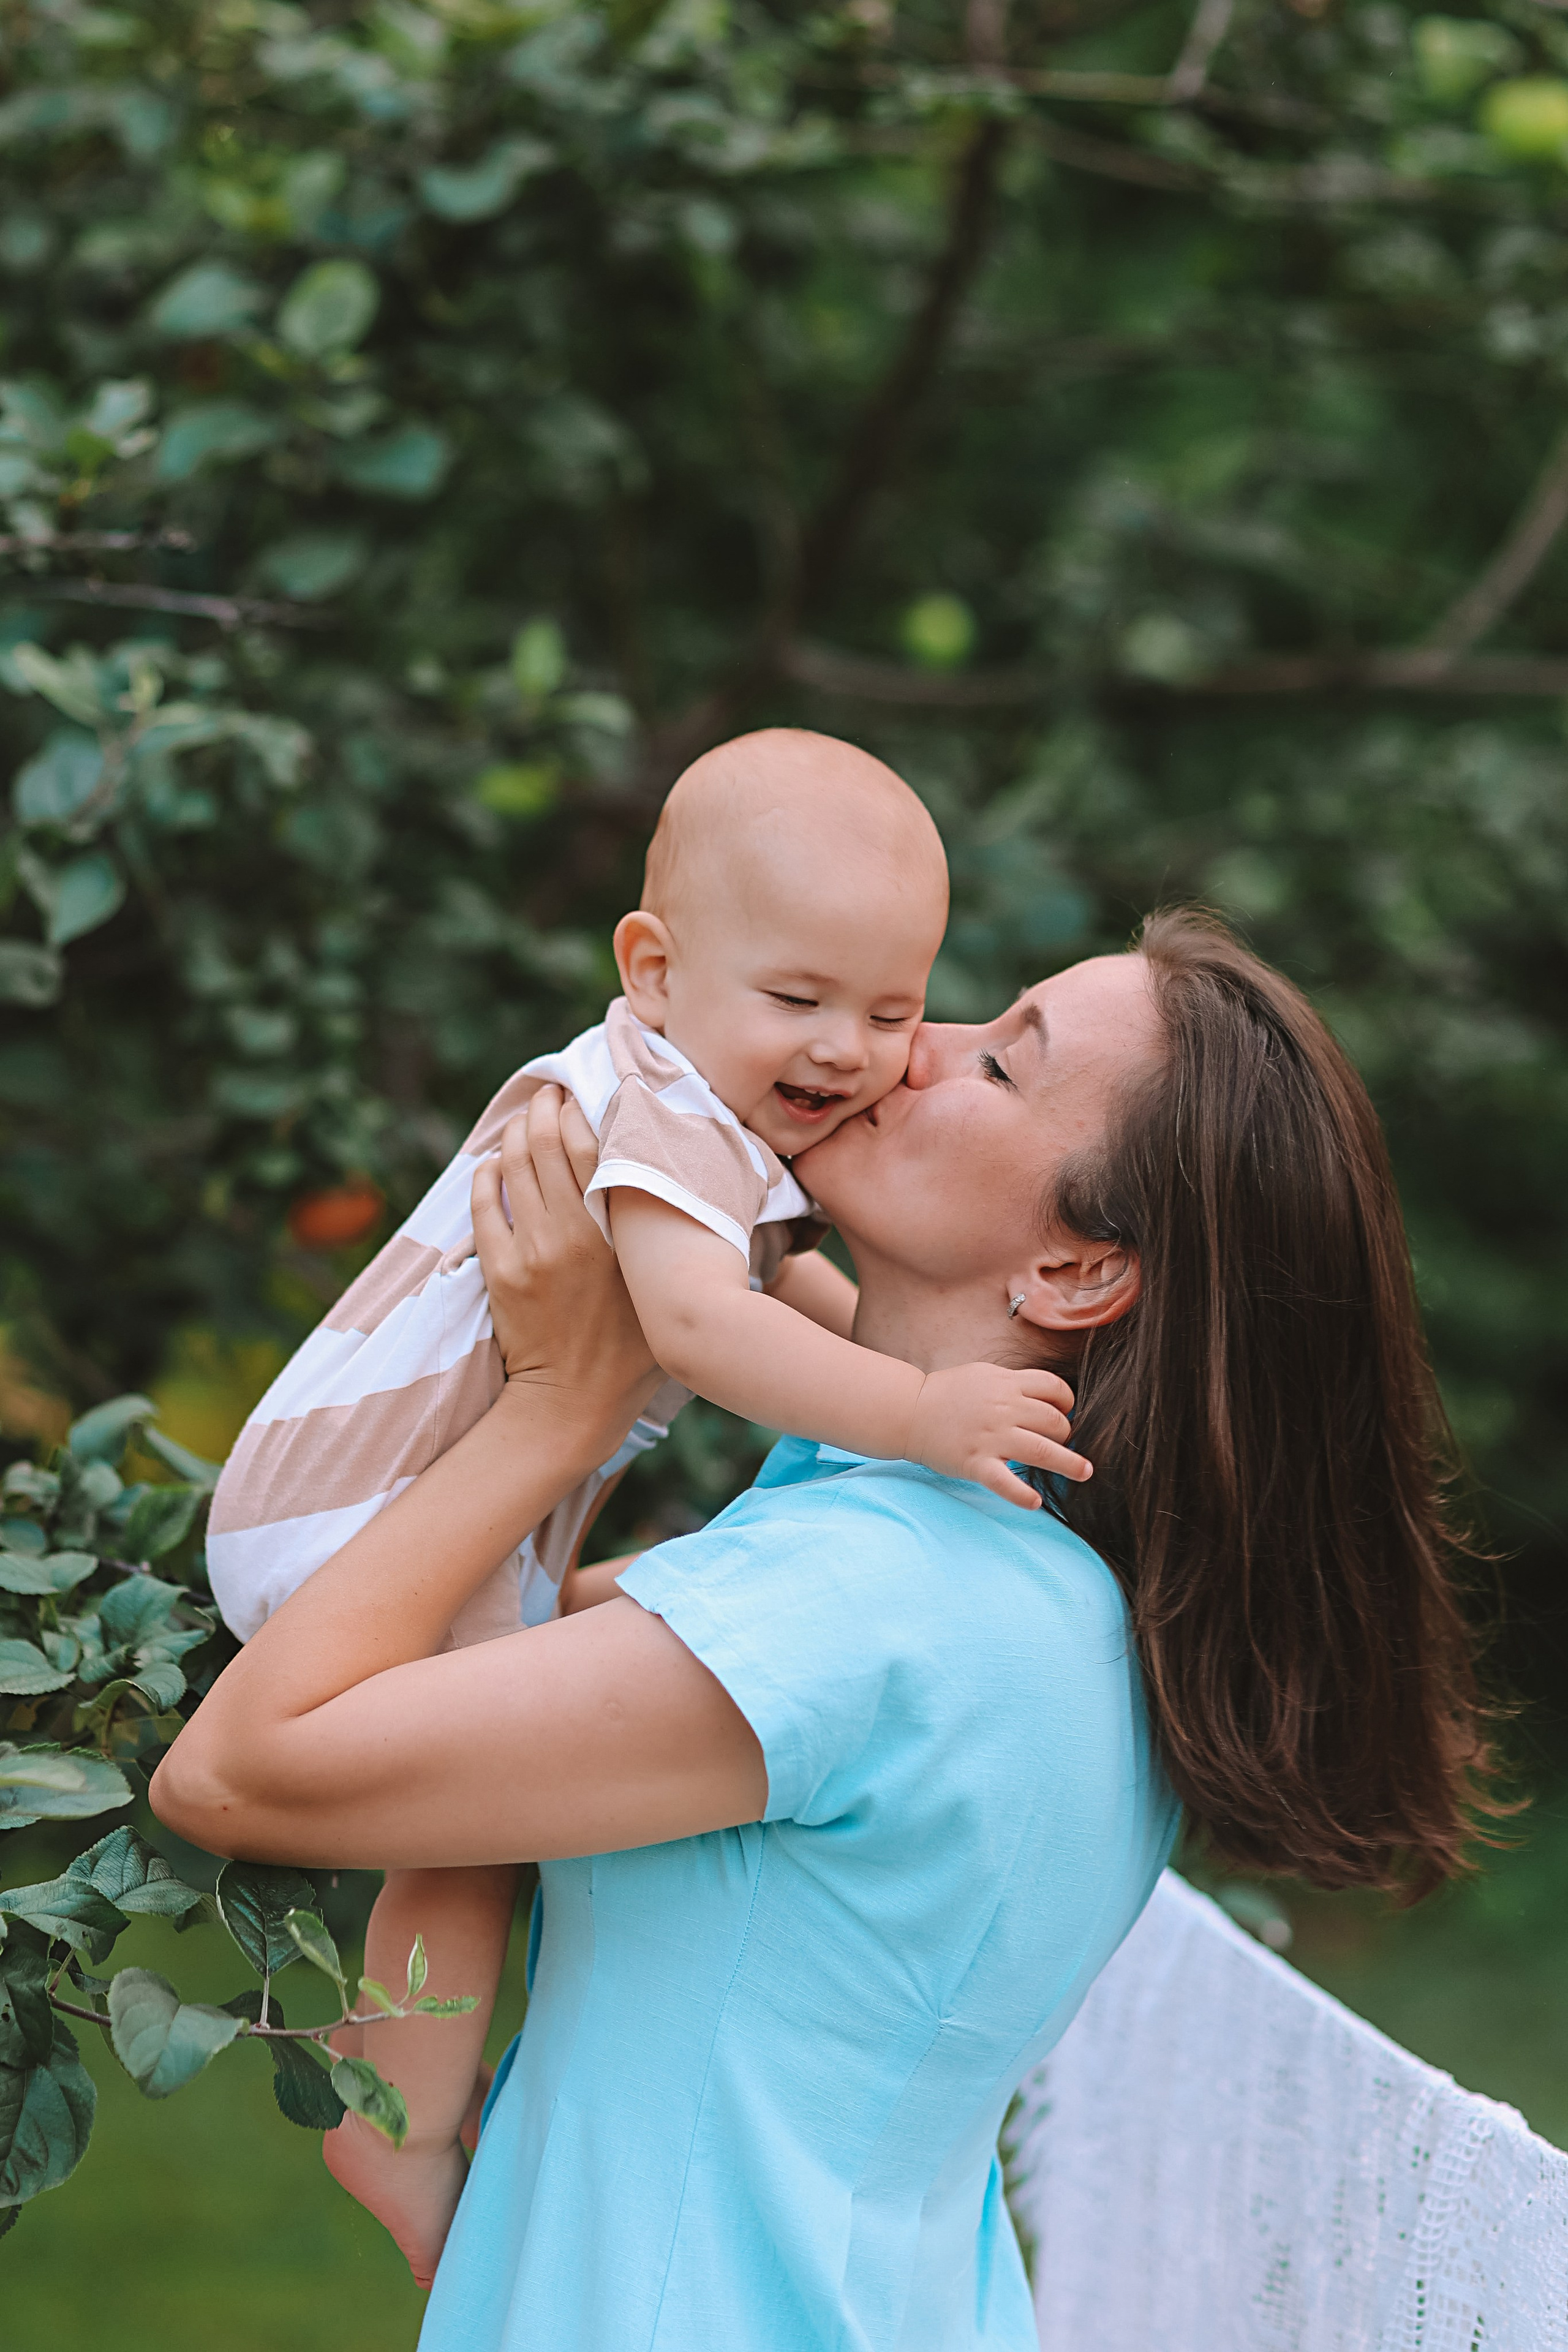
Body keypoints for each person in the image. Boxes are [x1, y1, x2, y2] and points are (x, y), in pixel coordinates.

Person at [154, 911, 1494, 2350]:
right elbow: (467, 1660)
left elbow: (237, 1773)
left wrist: (556, 1405)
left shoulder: (877, 1608)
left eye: (996, 1067)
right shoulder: (1005, 1573)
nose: (913, 1047)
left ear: (1076, 1271)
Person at [203, 726, 1090, 2270]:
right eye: (801, 1000)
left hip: (430, 1497)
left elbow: (784, 1281)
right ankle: (390, 2128)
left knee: (465, 1827)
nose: (857, 1051)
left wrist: (893, 1381)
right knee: (460, 1822)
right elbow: (694, 1326)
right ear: (654, 968)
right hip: (358, 1502)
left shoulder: (718, 1113)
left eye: (891, 1008)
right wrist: (921, 1407)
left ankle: (393, 2116)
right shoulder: (658, 1108)